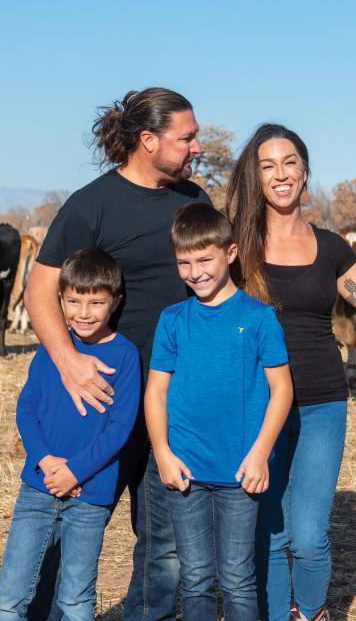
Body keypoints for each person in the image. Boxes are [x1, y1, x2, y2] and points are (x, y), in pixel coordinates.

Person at [226, 123, 356, 621]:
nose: (281, 174)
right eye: (268, 165)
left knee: (308, 536)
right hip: (257, 404)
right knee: (270, 535)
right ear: (255, 176)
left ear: (305, 172)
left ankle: (312, 613)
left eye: (290, 163)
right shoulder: (235, 247)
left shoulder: (332, 248)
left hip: (322, 402)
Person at [24, 87, 207, 621]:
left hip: (170, 401)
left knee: (164, 542)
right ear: (148, 140)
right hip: (102, 396)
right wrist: (69, 362)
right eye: (187, 138)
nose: (197, 147)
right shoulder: (92, 204)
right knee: (67, 523)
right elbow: (39, 290)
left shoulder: (193, 201)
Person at [145, 203, 294, 621]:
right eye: (184, 263)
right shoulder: (173, 319)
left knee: (237, 578)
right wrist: (162, 453)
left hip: (240, 471)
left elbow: (282, 389)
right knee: (195, 577)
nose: (195, 273)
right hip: (185, 469)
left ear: (230, 253)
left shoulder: (259, 318)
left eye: (204, 260)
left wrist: (260, 454)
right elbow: (155, 392)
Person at [0, 247, 140, 621]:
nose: (83, 312)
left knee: (76, 599)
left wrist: (75, 471)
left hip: (90, 495)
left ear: (116, 302)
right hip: (37, 488)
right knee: (10, 597)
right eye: (74, 301)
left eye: (96, 302)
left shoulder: (125, 356)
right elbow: (26, 409)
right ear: (60, 299)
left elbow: (119, 428)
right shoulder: (52, 348)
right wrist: (45, 461)